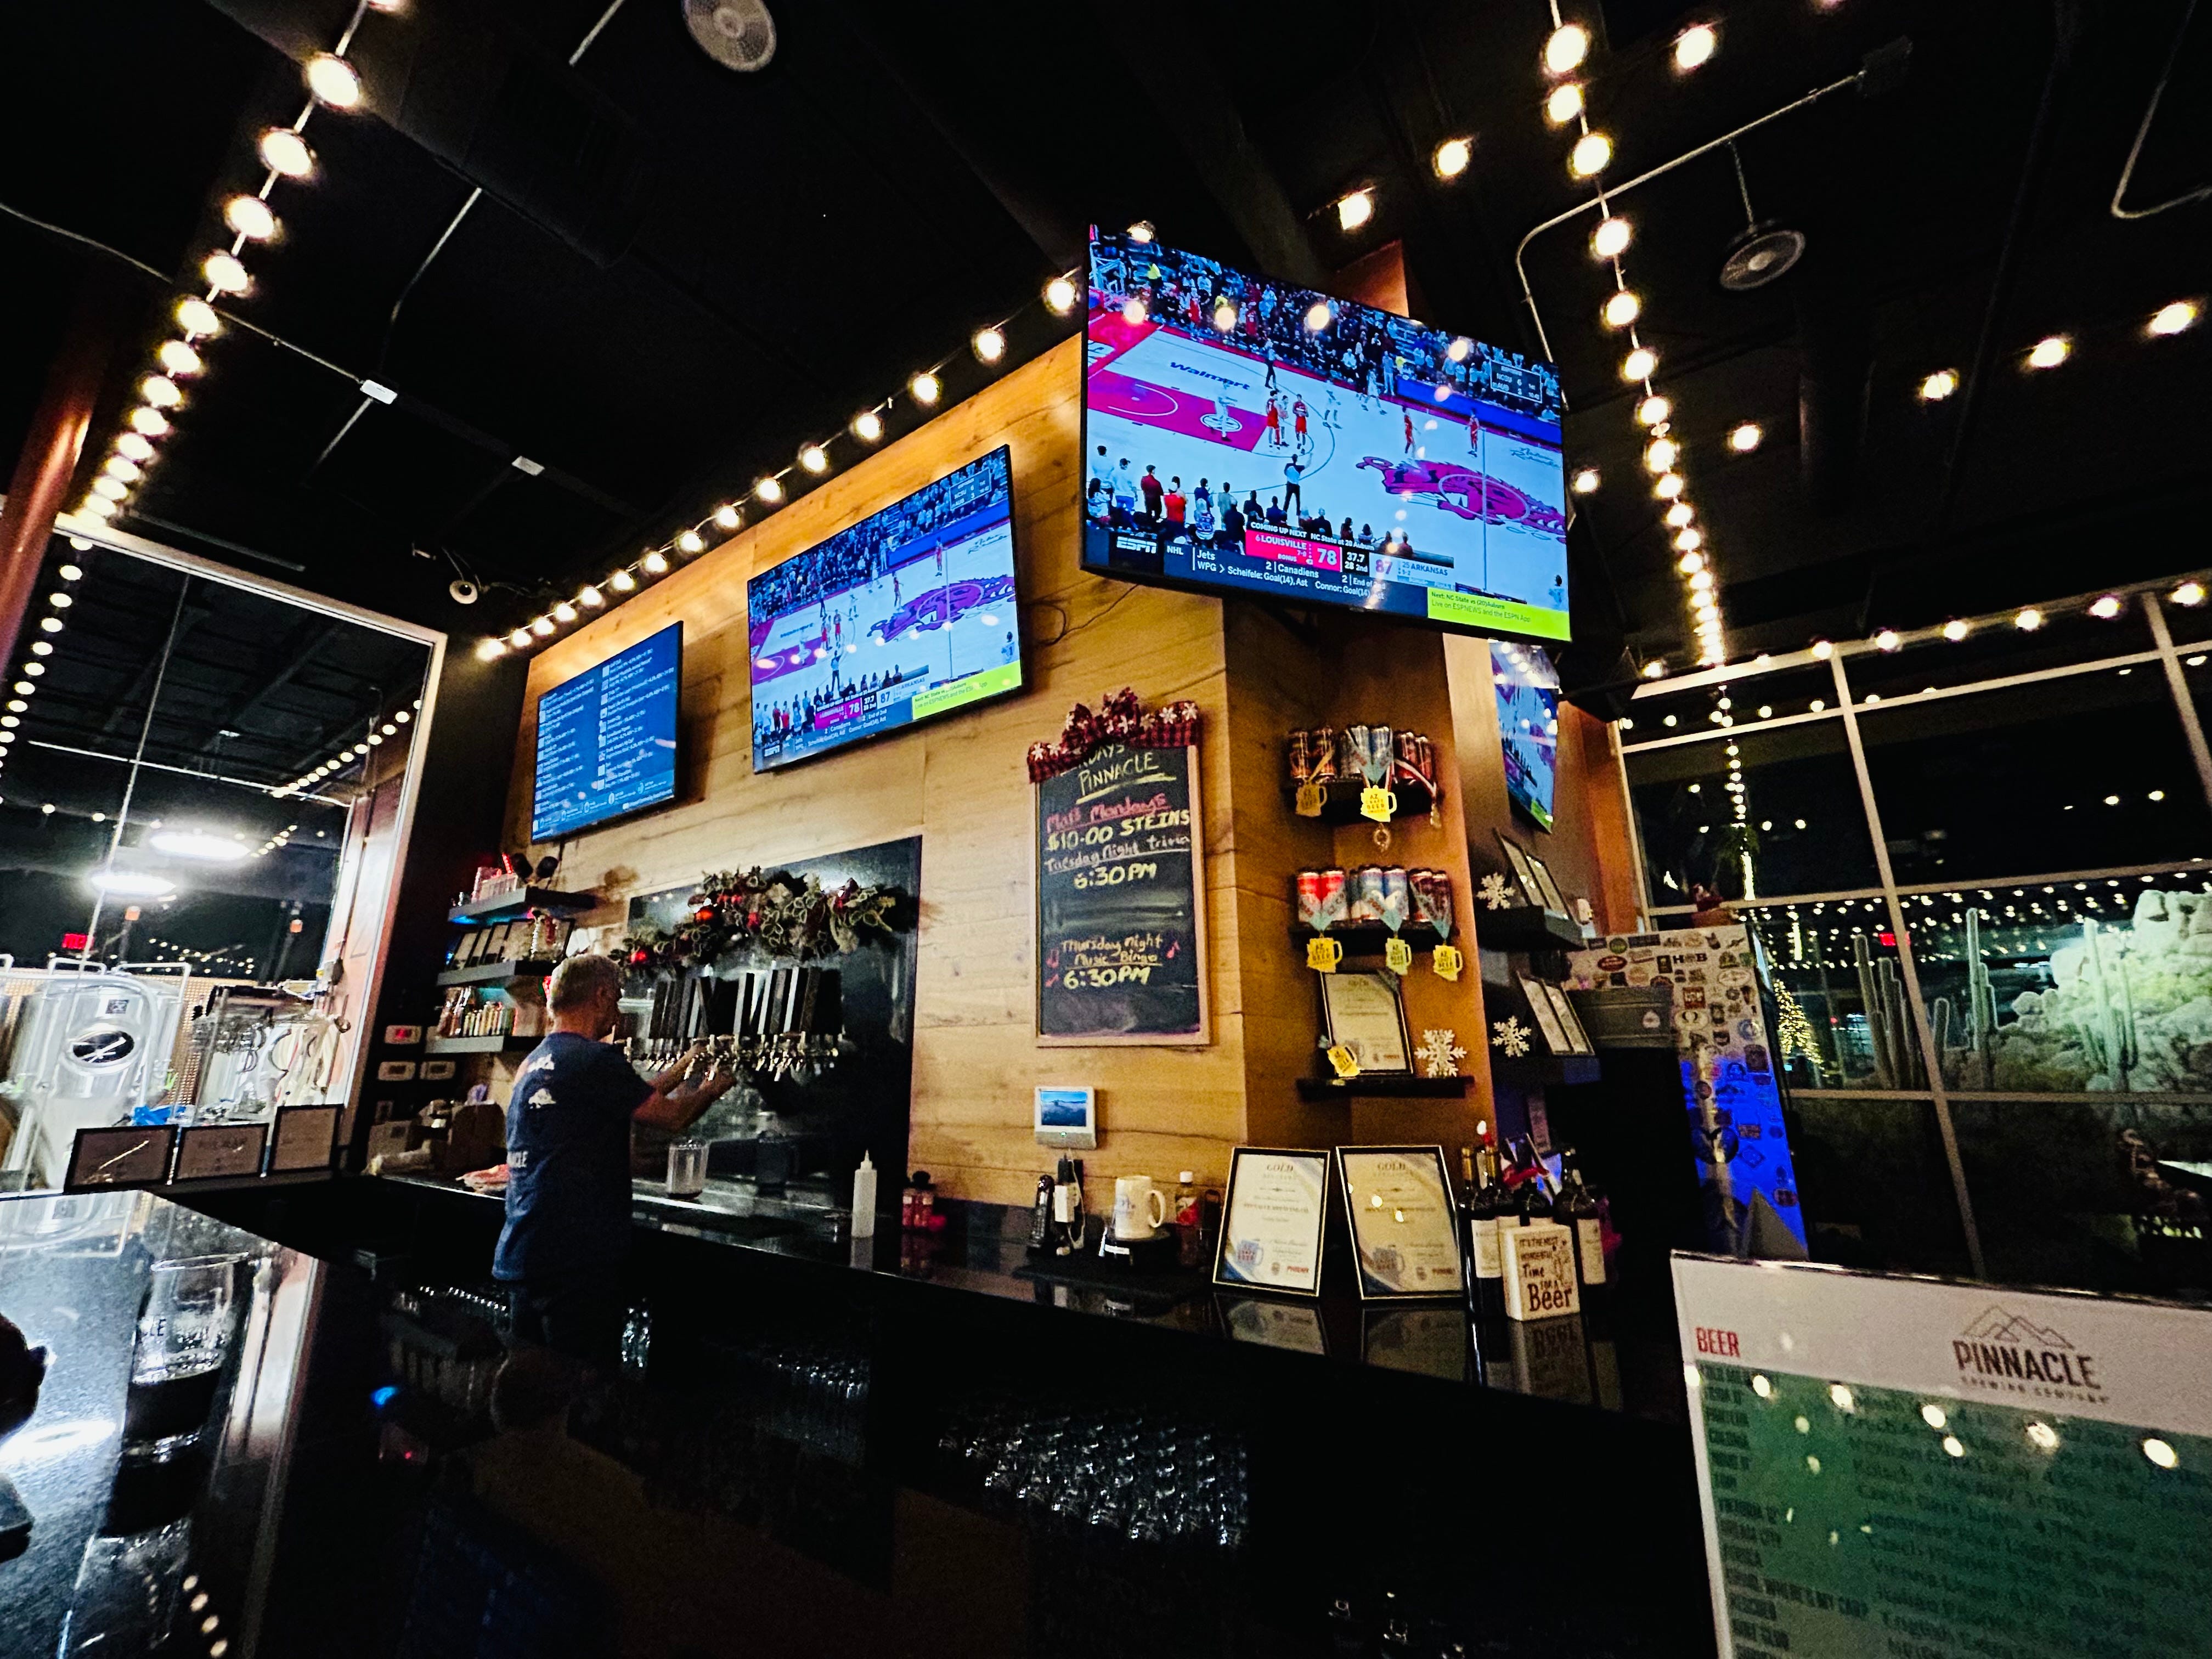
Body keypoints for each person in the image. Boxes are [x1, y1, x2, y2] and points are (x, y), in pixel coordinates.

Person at [494, 955, 736, 1367]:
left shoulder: (534, 1062)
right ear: (601, 996)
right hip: (575, 1258)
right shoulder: (594, 1059)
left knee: (532, 1381)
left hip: (525, 1249)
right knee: (581, 1384)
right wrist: (714, 1087)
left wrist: (685, 1066)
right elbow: (672, 1118)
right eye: (618, 998)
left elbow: (629, 1096)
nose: (619, 1011)